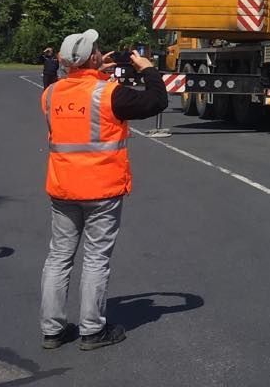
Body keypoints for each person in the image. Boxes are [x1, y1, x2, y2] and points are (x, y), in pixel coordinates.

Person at [39, 29, 167, 351]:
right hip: (101, 190)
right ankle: (92, 330)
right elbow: (157, 100)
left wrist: (95, 71)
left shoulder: (51, 95)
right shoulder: (110, 94)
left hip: (63, 187)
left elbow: (71, 92)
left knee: (58, 258)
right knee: (96, 259)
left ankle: (52, 330)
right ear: (93, 57)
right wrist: (147, 69)